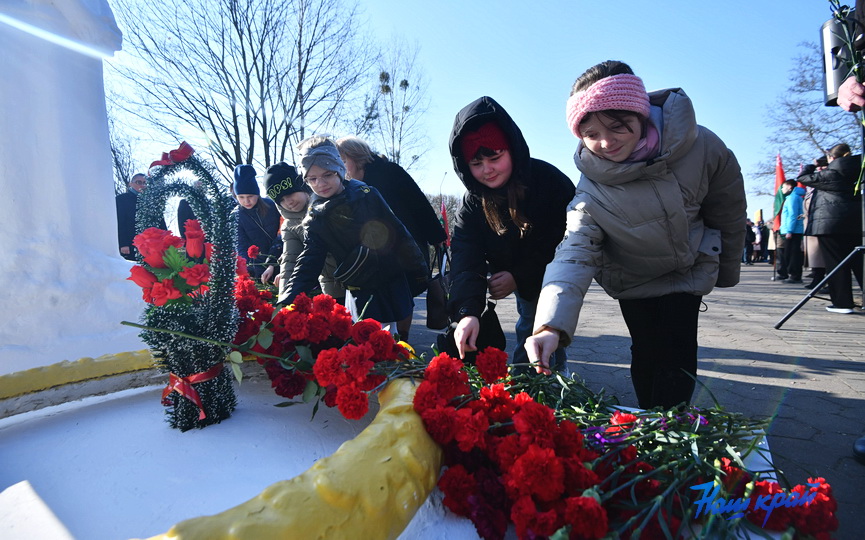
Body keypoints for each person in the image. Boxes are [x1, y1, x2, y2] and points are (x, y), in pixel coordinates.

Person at [526, 60, 746, 410]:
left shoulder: (701, 146)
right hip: (633, 278)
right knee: (645, 348)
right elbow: (574, 252)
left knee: (677, 351)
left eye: (618, 126)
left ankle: (671, 421)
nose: (606, 142)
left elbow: (728, 210)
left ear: (640, 114)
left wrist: (728, 270)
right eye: (591, 134)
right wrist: (549, 326)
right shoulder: (591, 190)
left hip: (687, 270)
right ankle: (651, 423)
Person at [447, 96, 576, 373]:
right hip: (515, 275)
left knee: (534, 328)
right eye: (476, 163)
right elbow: (465, 257)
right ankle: (546, 377)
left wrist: (519, 276)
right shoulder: (472, 202)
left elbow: (564, 242)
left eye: (495, 157)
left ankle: (538, 386)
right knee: (528, 322)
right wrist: (467, 312)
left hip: (550, 277)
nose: (487, 170)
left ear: (512, 151)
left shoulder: (549, 182)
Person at [282, 137, 427, 329]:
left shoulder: (367, 194)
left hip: (391, 278)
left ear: (340, 169)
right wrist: (288, 300)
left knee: (393, 335)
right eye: (312, 179)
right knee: (366, 337)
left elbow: (399, 232)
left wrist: (418, 271)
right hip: (360, 285)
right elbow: (310, 258)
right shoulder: (316, 216)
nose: (320, 184)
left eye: (327, 174)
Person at [335, 136, 447, 338]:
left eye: (343, 161)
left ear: (357, 156)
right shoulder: (346, 186)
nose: (341, 167)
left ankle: (402, 339)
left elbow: (418, 202)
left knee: (404, 294)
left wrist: (436, 236)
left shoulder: (389, 171)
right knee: (383, 295)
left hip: (406, 245)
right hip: (374, 251)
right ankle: (382, 339)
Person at [262, 162, 343, 304]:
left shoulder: (326, 206)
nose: (288, 202)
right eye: (281, 199)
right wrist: (285, 301)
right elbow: (290, 262)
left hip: (357, 275)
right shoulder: (289, 226)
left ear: (302, 186)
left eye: (290, 193)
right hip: (332, 286)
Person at [796, 143, 863, 313]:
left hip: (830, 225)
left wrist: (814, 165)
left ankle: (843, 303)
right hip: (855, 223)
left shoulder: (831, 173)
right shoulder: (858, 170)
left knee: (836, 263)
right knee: (859, 263)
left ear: (832, 158)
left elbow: (803, 177)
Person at [232, 164, 282, 280]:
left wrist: (273, 261)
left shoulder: (272, 206)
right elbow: (240, 244)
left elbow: (282, 233)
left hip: (281, 256)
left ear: (257, 194)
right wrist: (247, 268)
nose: (246, 201)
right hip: (257, 265)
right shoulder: (236, 215)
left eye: (250, 196)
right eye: (241, 197)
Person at [115, 173, 148, 260]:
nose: (142, 185)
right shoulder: (121, 199)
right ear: (131, 184)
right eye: (139, 182)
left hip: (150, 244)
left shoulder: (151, 200)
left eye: (145, 183)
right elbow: (119, 221)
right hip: (130, 244)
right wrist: (123, 243)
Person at [779, 180, 806, 283]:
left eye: (783, 187)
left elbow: (792, 215)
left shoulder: (792, 198)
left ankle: (795, 276)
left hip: (793, 230)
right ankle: (793, 274)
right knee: (791, 253)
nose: (782, 189)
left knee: (793, 254)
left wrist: (790, 230)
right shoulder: (794, 197)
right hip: (794, 230)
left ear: (789, 187)